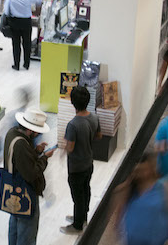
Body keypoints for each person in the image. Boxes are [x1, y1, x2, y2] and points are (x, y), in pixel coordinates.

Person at [5, 108, 55, 245]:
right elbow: (31, 173)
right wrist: (44, 158)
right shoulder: (22, 144)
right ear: (30, 130)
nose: (38, 133)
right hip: (25, 194)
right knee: (27, 233)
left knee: (14, 226)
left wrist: (36, 151)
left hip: (12, 191)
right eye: (37, 131)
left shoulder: (12, 134)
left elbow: (20, 161)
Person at [114, 154, 168, 245]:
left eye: (144, 170)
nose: (143, 173)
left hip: (156, 238)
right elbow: (121, 207)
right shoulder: (130, 189)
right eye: (138, 170)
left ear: (152, 169)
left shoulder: (165, 186)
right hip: (133, 239)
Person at [61, 86, 101, 234]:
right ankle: (82, 217)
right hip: (89, 163)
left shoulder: (73, 125)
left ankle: (77, 226)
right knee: (85, 189)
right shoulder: (94, 118)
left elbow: (70, 148)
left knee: (77, 195)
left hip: (76, 166)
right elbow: (99, 136)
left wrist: (64, 147)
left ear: (72, 103)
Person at [4, 0, 43, 71]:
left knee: (16, 43)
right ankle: (26, 64)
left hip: (14, 21)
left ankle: (16, 64)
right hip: (26, 22)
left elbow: (6, 11)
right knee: (27, 43)